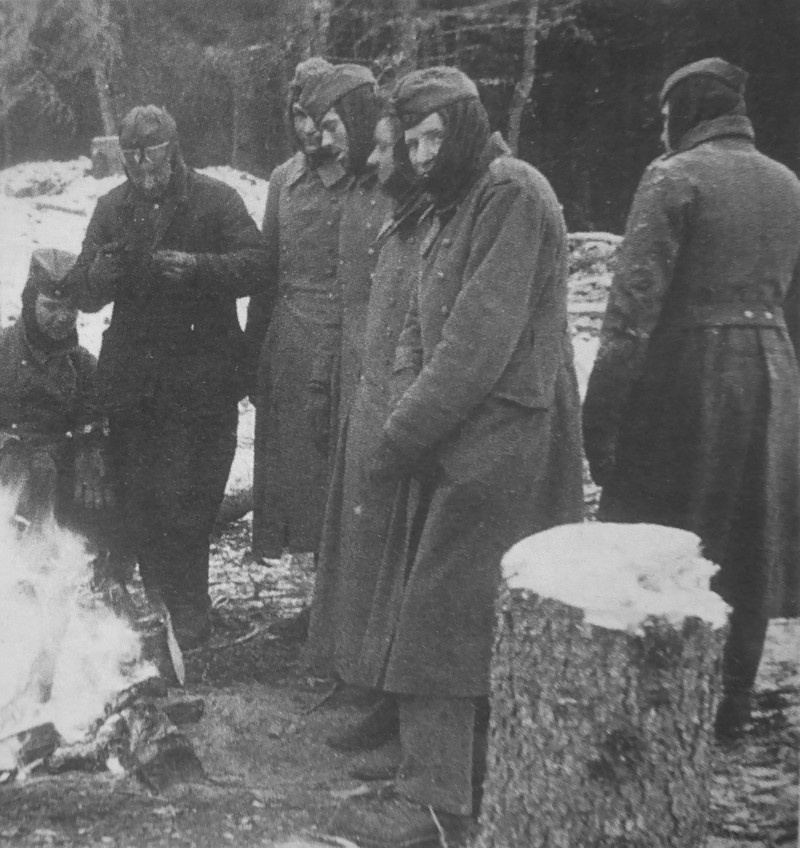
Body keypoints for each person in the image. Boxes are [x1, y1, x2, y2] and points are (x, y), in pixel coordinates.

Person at [329, 67, 584, 846]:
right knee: (447, 598)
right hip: (463, 426)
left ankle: (436, 800)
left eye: (436, 136)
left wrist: (403, 432)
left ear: (468, 127)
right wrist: (406, 414)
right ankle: (440, 762)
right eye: (413, 142)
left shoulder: (510, 192)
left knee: (444, 600)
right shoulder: (452, 199)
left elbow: (477, 338)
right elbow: (418, 322)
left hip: (509, 427)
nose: (423, 153)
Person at [583, 57, 800, 742]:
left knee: (669, 532)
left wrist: (603, 422)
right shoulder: (787, 183)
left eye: (664, 117)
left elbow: (629, 311)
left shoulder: (674, 177)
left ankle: (660, 702)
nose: (660, 131)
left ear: (685, 113)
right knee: (751, 532)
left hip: (685, 378)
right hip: (772, 374)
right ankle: (731, 702)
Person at [65, 105, 269, 648]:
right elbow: (83, 292)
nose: (141, 164)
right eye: (130, 155)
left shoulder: (216, 199)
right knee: (143, 494)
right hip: (134, 381)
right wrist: (97, 277)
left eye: (151, 153)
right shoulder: (112, 207)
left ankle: (190, 604)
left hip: (202, 378)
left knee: (193, 497)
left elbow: (256, 263)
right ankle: (161, 606)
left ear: (173, 149)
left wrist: (202, 269)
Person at [304, 91, 428, 744]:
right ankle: (354, 667)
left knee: (386, 530)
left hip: (392, 376)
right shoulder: (356, 195)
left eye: (334, 128)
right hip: (360, 364)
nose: (329, 140)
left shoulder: (410, 206)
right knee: (354, 527)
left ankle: (386, 685)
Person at [248, 59, 361, 562]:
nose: (309, 129)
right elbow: (266, 272)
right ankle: (313, 595)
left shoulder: (363, 176)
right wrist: (254, 354)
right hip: (289, 343)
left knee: (339, 473)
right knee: (295, 473)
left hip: (345, 341)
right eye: (299, 115)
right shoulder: (282, 180)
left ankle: (334, 604)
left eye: (320, 116)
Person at [0, 248, 111, 540]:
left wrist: (90, 449)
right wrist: (3, 448)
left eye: (70, 309)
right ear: (29, 304)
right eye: (50, 306)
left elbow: (95, 419)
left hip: (52, 470)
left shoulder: (82, 364)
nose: (62, 318)